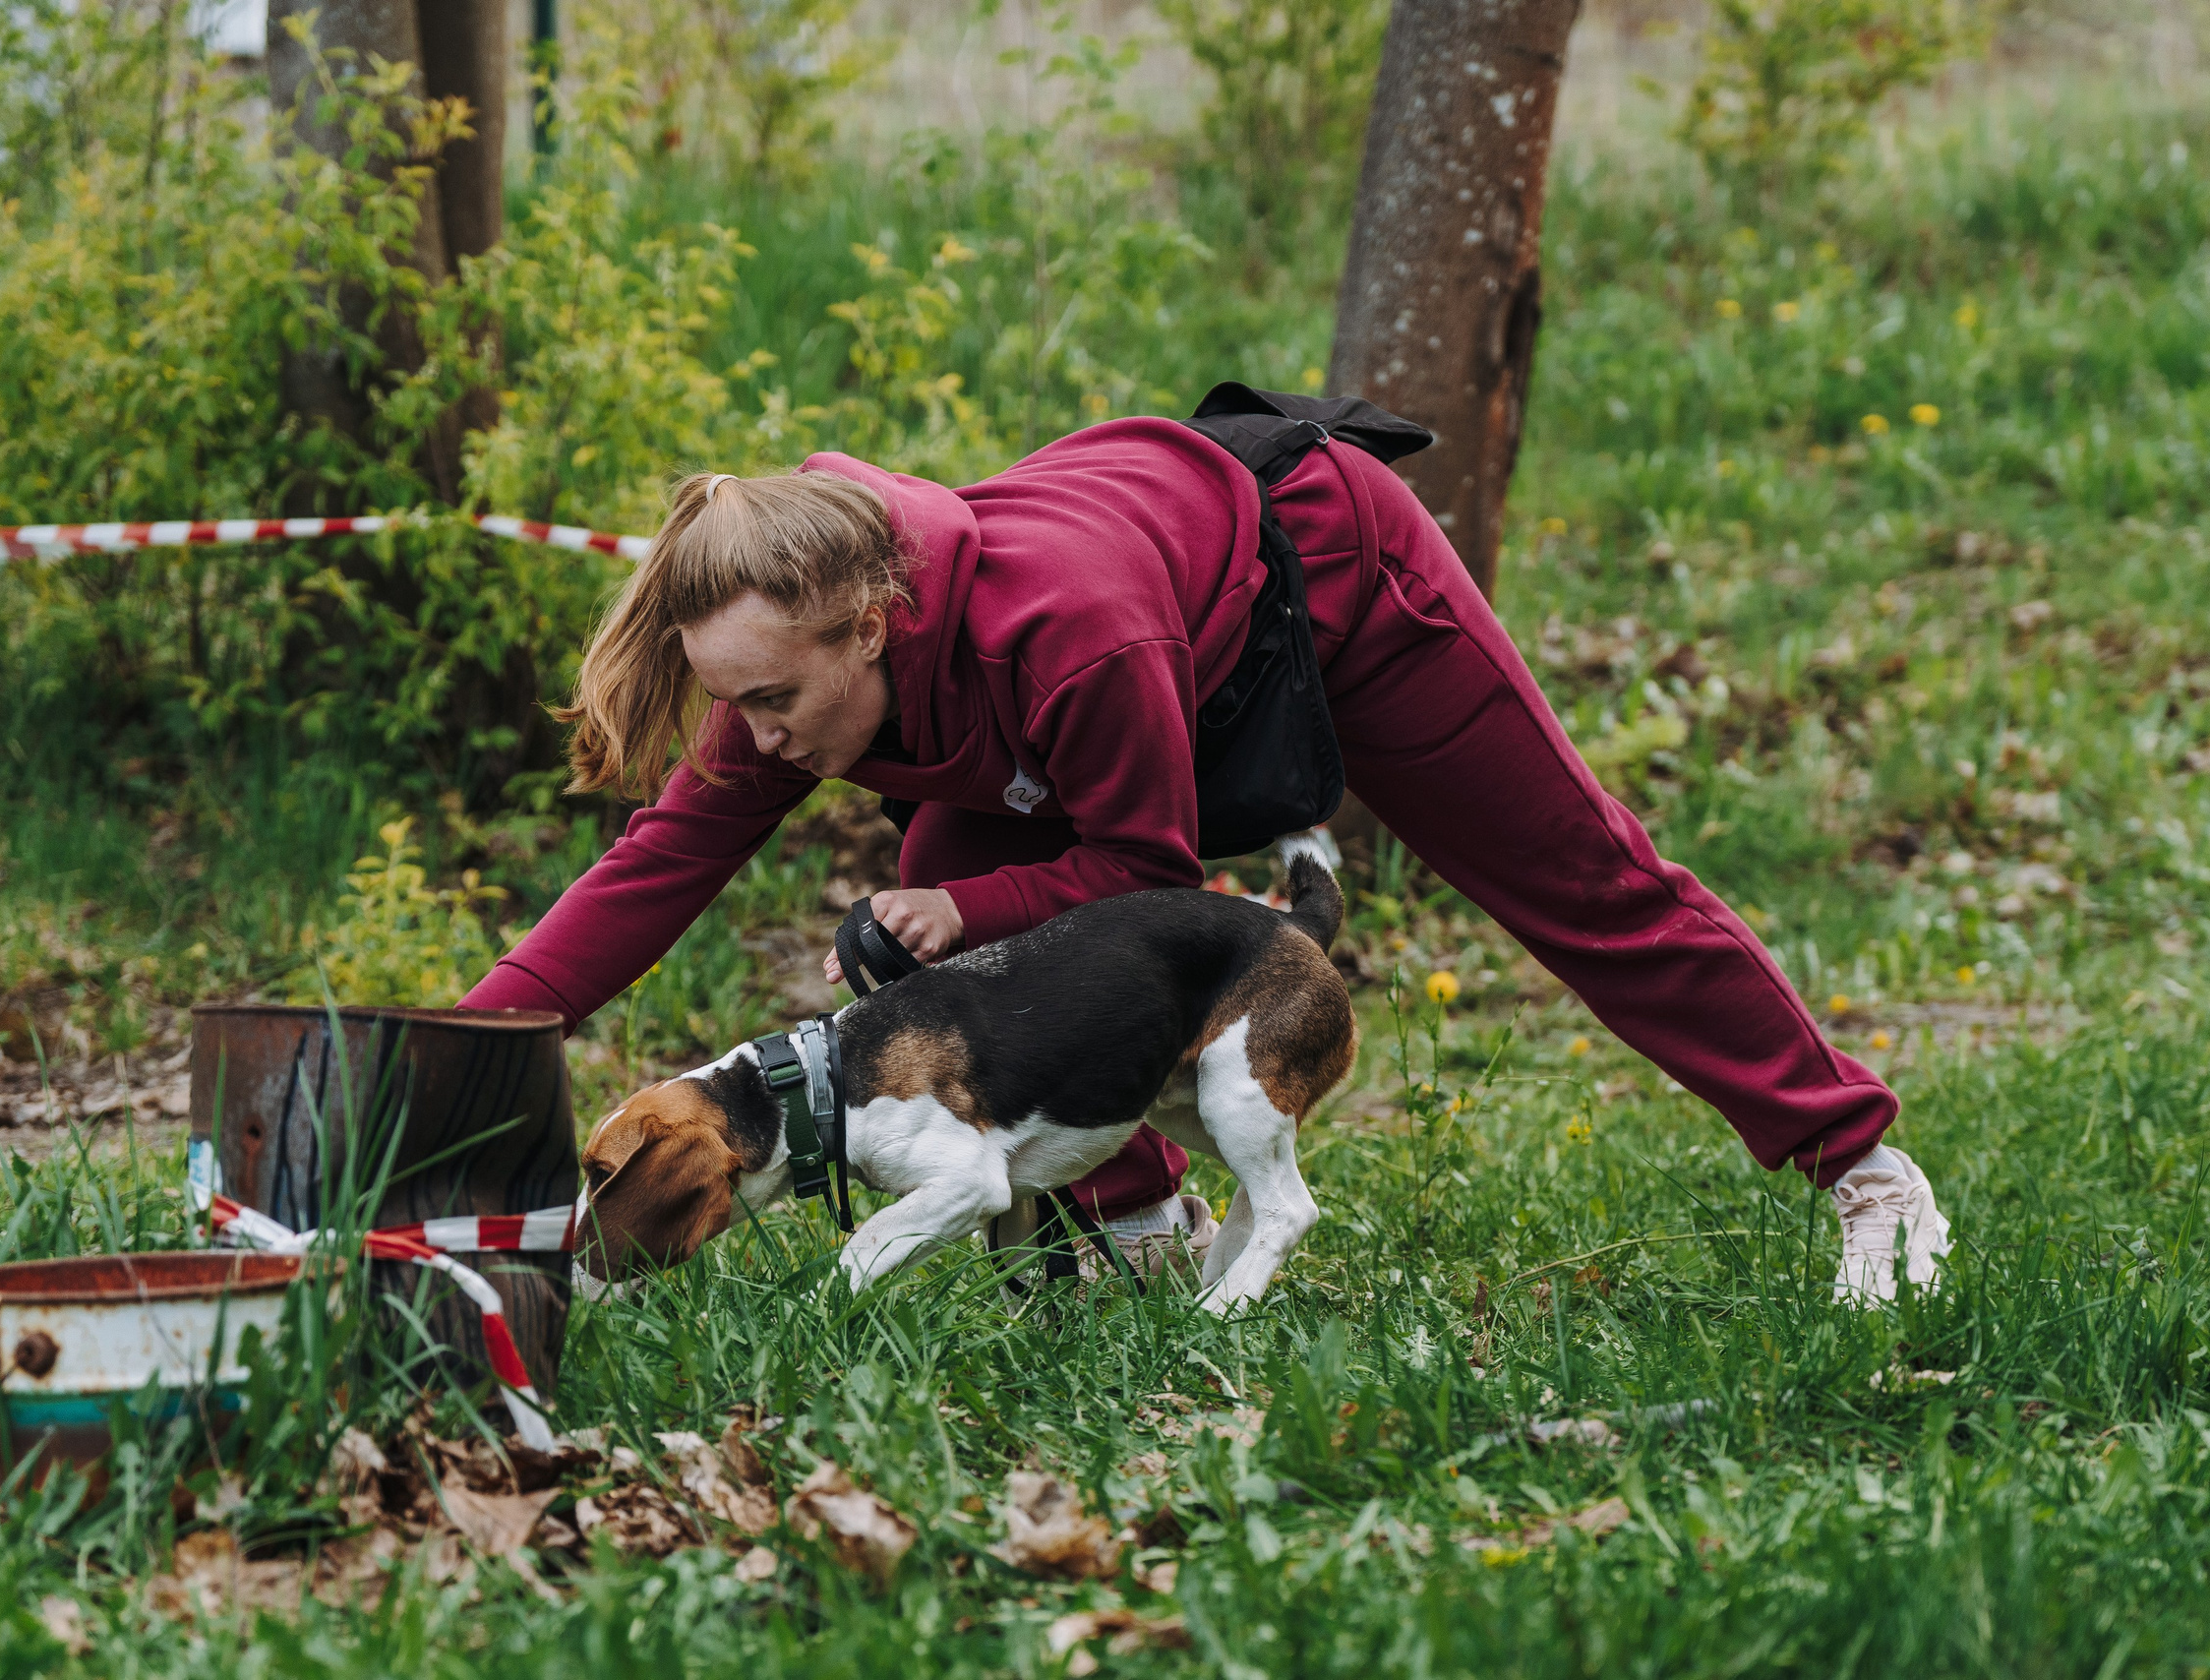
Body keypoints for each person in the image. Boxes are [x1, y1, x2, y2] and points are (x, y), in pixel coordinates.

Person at [460, 420, 1950, 1302]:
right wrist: (445, 1064)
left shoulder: (1069, 632)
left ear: (874, 627)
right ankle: (1137, 1229)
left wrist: (976, 895)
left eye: (773, 702)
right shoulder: (784, 666)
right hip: (1130, 678)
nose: (755, 736)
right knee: (917, 936)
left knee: (1579, 881)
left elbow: (1152, 892)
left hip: (1333, 585)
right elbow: (651, 869)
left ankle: (1866, 1171)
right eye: (737, 705)